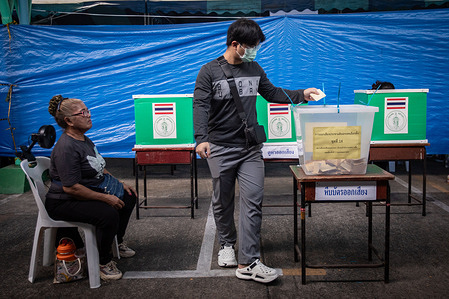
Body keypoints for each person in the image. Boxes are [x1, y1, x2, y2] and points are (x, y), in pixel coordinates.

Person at [193, 18, 319, 283]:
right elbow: (200, 106)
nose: (254, 51)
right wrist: (201, 138)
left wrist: (301, 94)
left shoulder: (254, 68)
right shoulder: (209, 71)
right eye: (251, 46)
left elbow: (272, 93)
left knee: (253, 201)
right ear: (235, 44)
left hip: (250, 148)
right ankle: (227, 244)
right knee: (222, 199)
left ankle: (248, 261)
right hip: (219, 147)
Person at [46, 95, 137, 280]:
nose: (88, 115)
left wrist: (119, 183)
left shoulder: (83, 139)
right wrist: (106, 198)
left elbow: (98, 167)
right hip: (63, 201)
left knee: (128, 196)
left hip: (82, 191)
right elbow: (71, 188)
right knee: (108, 213)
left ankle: (115, 242)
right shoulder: (66, 148)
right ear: (69, 121)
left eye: (87, 110)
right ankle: (103, 262)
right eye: (83, 112)